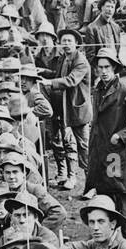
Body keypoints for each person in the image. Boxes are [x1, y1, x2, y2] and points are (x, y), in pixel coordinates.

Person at [84, 50, 126, 245]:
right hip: (99, 155)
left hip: (116, 157)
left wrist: (121, 136)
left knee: (125, 204)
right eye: (100, 67)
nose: (103, 71)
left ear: (114, 68)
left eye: (107, 67)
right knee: (103, 204)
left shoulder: (125, 92)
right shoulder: (97, 90)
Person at [41, 28, 91, 190]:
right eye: (64, 41)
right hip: (64, 108)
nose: (66, 44)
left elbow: (70, 80)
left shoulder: (81, 61)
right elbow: (58, 74)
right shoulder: (64, 58)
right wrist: (44, 72)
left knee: (83, 146)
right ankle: (68, 176)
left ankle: (91, 182)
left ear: (76, 43)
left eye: (70, 41)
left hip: (78, 110)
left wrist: (50, 83)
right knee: (64, 142)